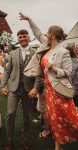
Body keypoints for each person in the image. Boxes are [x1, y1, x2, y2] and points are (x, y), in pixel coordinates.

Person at [20, 13, 78, 150]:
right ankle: (58, 147)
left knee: (70, 117)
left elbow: (68, 73)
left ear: (53, 35)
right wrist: (29, 20)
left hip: (59, 89)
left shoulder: (63, 51)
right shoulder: (47, 46)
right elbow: (38, 33)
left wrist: (52, 68)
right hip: (49, 90)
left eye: (48, 34)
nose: (45, 35)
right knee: (55, 119)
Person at [0, 29, 37, 150]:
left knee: (27, 115)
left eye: (24, 36)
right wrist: (2, 85)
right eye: (20, 37)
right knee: (10, 114)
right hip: (14, 88)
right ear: (18, 39)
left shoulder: (35, 53)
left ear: (28, 37)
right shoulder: (13, 53)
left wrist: (36, 88)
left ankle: (25, 140)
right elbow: (7, 70)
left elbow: (39, 73)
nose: (22, 39)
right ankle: (9, 140)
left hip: (28, 89)